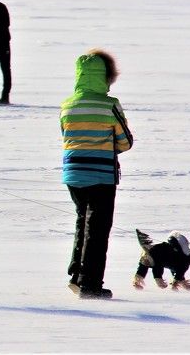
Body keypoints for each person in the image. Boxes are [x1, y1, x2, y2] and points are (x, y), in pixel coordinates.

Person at [61, 49, 133, 299]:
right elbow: (125, 141)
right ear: (106, 76)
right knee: (98, 229)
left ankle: (76, 276)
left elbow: (66, 136)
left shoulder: (67, 105)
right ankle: (91, 284)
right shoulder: (109, 105)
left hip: (73, 174)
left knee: (82, 221)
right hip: (101, 174)